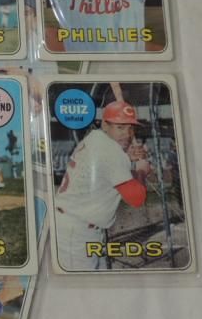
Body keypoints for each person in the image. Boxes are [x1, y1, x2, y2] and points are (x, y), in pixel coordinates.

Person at [54, 100, 152, 270]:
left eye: (130, 128)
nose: (127, 134)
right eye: (120, 127)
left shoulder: (94, 137)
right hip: (76, 232)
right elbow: (137, 199)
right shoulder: (111, 152)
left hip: (75, 225)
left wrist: (127, 157)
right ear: (105, 125)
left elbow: (105, 168)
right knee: (83, 285)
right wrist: (141, 170)